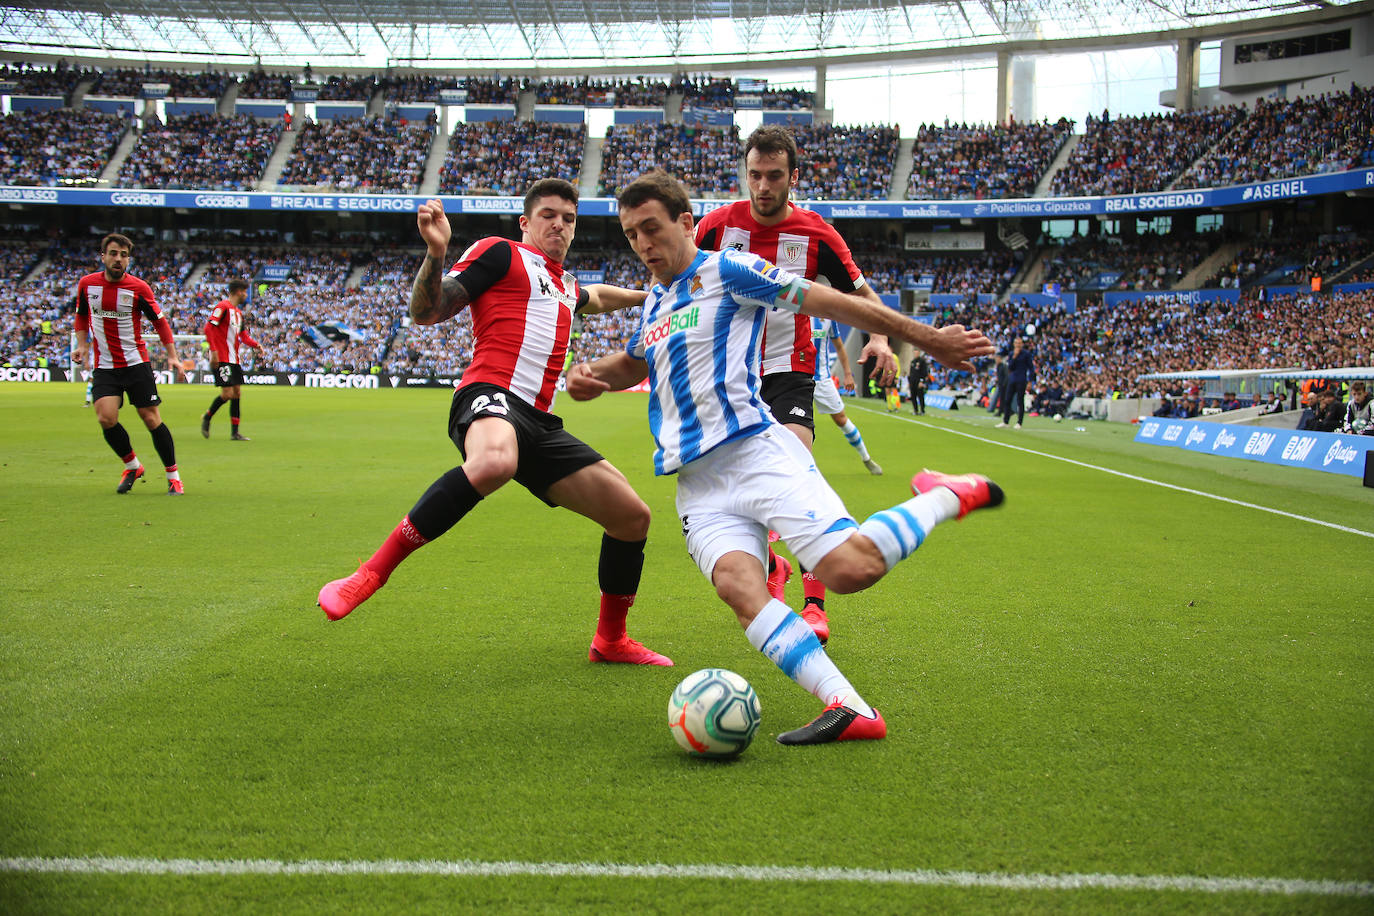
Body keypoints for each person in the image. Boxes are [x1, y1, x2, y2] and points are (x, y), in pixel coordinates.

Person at [567, 169, 1002, 744]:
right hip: (698, 484)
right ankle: (851, 709)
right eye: (631, 235)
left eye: (652, 228)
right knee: (741, 591)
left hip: (756, 453)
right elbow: (634, 360)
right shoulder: (654, 303)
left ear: (687, 223)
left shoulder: (729, 271)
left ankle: (949, 493)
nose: (643, 244)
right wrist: (593, 376)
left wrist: (921, 337)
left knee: (849, 570)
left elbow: (826, 298)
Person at [317, 179, 672, 667]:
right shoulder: (501, 253)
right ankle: (370, 574)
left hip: (540, 422)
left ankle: (610, 639)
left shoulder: (566, 285)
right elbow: (428, 311)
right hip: (488, 394)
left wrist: (648, 294)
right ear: (526, 223)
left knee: (633, 517)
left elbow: (598, 296)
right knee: (495, 462)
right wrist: (436, 252)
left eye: (569, 219)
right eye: (549, 215)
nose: (560, 226)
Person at [693, 125, 899, 641]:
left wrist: (880, 337)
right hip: (730, 374)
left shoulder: (817, 233)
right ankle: (772, 568)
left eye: (774, 176)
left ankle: (814, 604)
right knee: (742, 482)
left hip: (791, 367)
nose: (763, 186)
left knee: (793, 465)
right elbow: (681, 282)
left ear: (793, 176)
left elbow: (861, 293)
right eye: (755, 175)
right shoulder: (717, 227)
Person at [73, 232, 187, 495]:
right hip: (105, 366)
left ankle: (173, 476)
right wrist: (81, 345)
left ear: (128, 260)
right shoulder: (87, 285)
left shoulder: (138, 288)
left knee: (150, 418)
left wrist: (172, 356)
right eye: (113, 253)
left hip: (136, 363)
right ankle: (133, 465)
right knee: (106, 417)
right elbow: (81, 316)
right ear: (103, 256)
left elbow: (160, 323)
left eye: (124, 255)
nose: (118, 259)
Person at [201, 278, 264, 441]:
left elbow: (242, 336)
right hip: (221, 357)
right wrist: (213, 351)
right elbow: (209, 327)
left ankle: (235, 433)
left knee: (236, 393)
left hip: (233, 359)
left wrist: (256, 345)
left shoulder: (238, 313)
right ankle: (207, 416)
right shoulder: (222, 307)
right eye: (245, 292)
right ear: (238, 292)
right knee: (227, 393)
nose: (246, 295)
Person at [996, 337, 1033, 429]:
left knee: (1020, 401)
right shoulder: (1012, 354)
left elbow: (1031, 368)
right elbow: (1010, 367)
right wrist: (1014, 357)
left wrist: (1030, 381)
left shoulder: (1026, 354)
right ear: (1014, 344)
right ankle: (1006, 421)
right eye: (1016, 343)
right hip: (1012, 379)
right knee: (1007, 400)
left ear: (1022, 344)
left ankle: (1019, 422)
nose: (1018, 345)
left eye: (1019, 343)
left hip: (1021, 379)